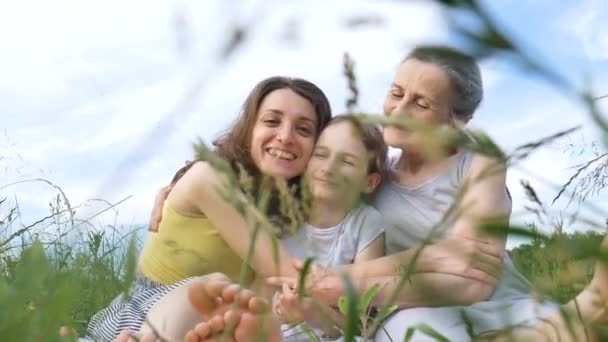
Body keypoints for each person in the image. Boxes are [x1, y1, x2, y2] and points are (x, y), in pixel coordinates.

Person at [84, 76, 333, 341]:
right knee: (211, 289)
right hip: (141, 313)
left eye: (304, 130)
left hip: (215, 319)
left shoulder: (287, 210)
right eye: (272, 121)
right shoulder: (209, 178)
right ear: (249, 128)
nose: (285, 137)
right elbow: (286, 273)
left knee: (243, 312)